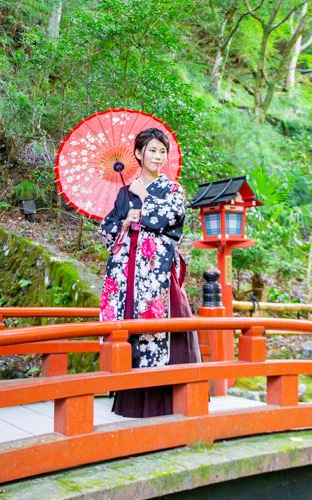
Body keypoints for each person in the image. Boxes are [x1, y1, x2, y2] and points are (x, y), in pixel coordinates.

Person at [99, 127, 199, 418]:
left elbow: (171, 220)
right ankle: (131, 399)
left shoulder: (172, 191)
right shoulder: (124, 192)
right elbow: (107, 232)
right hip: (128, 272)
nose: (158, 156)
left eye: (162, 151)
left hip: (156, 274)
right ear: (139, 154)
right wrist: (125, 224)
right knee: (128, 327)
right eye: (152, 150)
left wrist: (146, 199)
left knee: (159, 329)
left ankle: (164, 401)